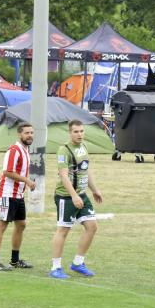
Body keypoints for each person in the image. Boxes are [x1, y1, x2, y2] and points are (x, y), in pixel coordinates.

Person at [50, 120, 103, 279]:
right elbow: (64, 176)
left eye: (81, 131)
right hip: (66, 197)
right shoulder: (63, 150)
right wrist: (73, 196)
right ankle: (56, 267)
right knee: (63, 230)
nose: (79, 134)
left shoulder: (84, 147)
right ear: (70, 133)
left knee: (92, 226)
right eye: (76, 132)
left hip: (82, 195)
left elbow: (86, 171)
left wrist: (94, 190)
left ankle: (78, 263)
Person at [0, 122, 36, 271]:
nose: (30, 135)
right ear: (19, 134)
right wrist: (27, 181)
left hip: (18, 195)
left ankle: (14, 261)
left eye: (31, 133)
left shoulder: (25, 150)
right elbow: (7, 172)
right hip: (6, 194)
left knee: (21, 225)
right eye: (26, 133)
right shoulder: (14, 149)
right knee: (2, 225)